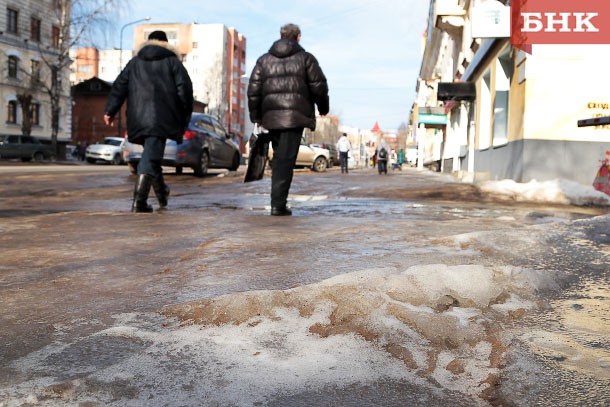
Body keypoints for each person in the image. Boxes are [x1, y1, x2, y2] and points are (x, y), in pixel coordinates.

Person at [104, 30, 193, 213]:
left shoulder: (134, 63)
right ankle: (139, 202)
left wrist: (110, 111)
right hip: (162, 118)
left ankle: (162, 193)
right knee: (151, 157)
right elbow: (185, 92)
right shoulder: (173, 63)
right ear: (166, 44)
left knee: (151, 156)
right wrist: (184, 117)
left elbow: (119, 86)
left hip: (137, 117)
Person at [247, 23, 329, 216]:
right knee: (284, 160)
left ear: (281, 36)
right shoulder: (306, 59)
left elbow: (253, 91)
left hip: (271, 118)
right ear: (298, 37)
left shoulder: (263, 61)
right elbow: (319, 86)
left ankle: (278, 202)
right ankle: (278, 204)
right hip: (294, 117)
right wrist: (323, 108)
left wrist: (256, 116)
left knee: (279, 159)